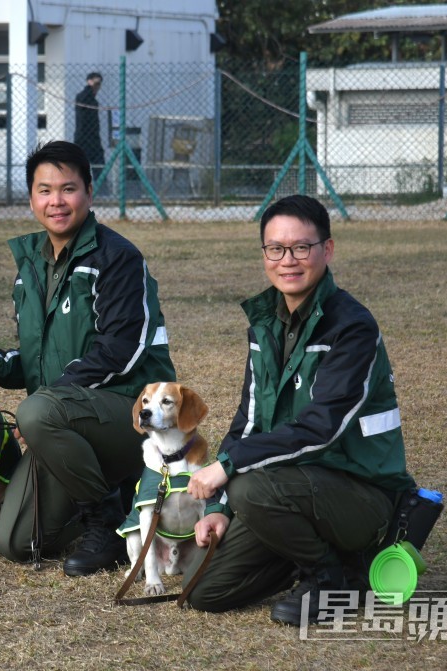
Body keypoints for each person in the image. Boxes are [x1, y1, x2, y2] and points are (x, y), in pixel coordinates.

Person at [182, 194, 416, 624]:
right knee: (202, 588)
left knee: (247, 487)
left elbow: (321, 428)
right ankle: (309, 552)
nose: (287, 260)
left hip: (361, 492)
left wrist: (227, 468)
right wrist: (218, 510)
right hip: (293, 490)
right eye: (276, 249)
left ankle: (332, 577)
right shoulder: (266, 322)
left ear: (326, 249)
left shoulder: (352, 326)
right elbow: (248, 421)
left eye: (301, 247)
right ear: (264, 254)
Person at [0, 140, 176, 576]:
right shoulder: (31, 263)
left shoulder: (117, 257)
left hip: (130, 414)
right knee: (14, 542)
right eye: (45, 190)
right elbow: (36, 360)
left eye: (68, 189)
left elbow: (122, 350)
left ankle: (105, 521)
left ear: (89, 192)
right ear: (31, 197)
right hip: (65, 417)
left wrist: (45, 404)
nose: (56, 201)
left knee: (37, 412)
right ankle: (121, 494)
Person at [74, 72, 105, 185]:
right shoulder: (83, 97)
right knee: (81, 168)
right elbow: (83, 98)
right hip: (83, 138)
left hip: (94, 138)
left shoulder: (93, 101)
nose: (97, 87)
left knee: (99, 165)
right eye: (95, 83)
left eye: (99, 84)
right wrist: (90, 86)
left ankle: (102, 191)